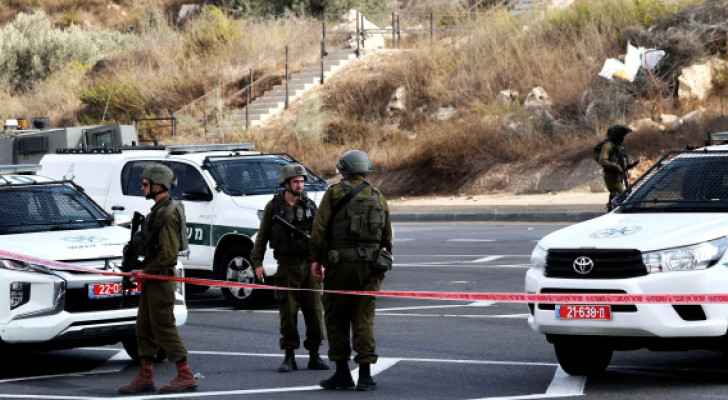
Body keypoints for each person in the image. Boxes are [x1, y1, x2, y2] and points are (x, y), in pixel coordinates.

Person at [309, 149, 393, 392]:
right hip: (370, 267)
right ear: (366, 170)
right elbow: (387, 236)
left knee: (336, 317)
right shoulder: (378, 196)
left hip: (340, 266)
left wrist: (317, 260)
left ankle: (343, 374)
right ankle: (365, 375)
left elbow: (319, 230)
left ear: (343, 170)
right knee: (363, 318)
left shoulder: (334, 194)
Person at [118, 163, 198, 394]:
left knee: (164, 327)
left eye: (145, 184)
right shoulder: (158, 211)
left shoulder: (167, 213)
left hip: (160, 279)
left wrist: (145, 271)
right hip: (152, 277)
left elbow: (168, 254)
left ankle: (185, 374)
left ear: (158, 185)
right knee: (143, 327)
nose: (142, 188)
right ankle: (145, 376)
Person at [250, 163, 329, 373]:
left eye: (302, 181)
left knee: (314, 312)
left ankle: (314, 355)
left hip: (308, 265)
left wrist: (320, 262)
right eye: (296, 181)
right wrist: (256, 262)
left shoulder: (310, 206)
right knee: (288, 313)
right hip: (286, 265)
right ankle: (289, 356)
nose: (300, 185)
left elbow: (320, 236)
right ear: (286, 184)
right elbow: (263, 235)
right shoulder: (274, 207)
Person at [597, 125, 637, 211]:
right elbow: (602, 160)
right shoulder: (608, 145)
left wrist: (630, 166)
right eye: (623, 136)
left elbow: (621, 160)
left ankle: (611, 209)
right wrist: (616, 166)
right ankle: (614, 211)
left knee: (615, 195)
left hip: (620, 175)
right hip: (611, 175)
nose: (624, 138)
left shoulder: (618, 146)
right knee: (622, 195)